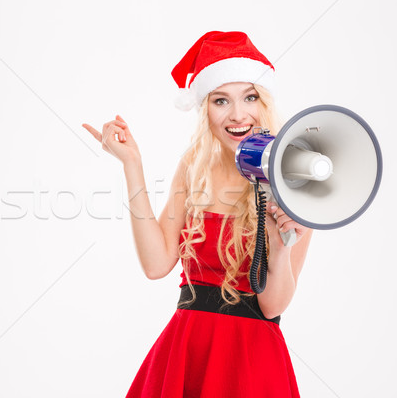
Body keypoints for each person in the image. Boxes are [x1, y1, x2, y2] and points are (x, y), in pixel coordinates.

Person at [82, 31, 313, 398]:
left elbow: (272, 307)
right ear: (205, 108)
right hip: (188, 349)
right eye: (221, 100)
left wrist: (281, 246)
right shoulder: (195, 166)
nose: (238, 115)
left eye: (250, 97)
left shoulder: (293, 179)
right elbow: (157, 264)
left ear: (264, 102)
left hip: (251, 363)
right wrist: (131, 164)